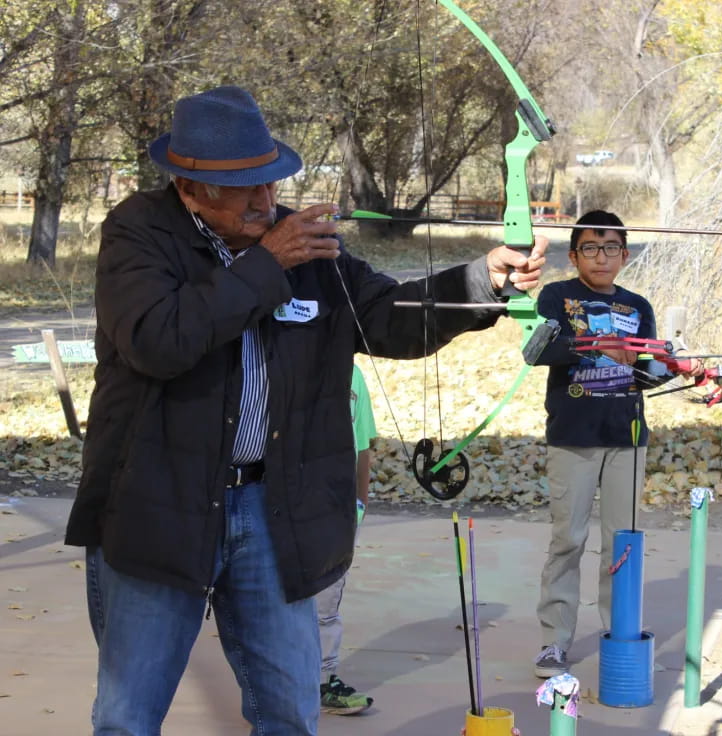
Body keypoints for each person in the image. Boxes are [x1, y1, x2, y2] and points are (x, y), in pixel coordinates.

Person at [63, 85, 546, 735]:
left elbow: (386, 318)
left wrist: (481, 280)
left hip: (270, 509)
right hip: (159, 505)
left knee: (291, 707)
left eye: (271, 182)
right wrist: (266, 264)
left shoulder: (301, 247)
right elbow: (159, 340)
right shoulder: (139, 233)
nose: (269, 200)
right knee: (129, 716)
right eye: (248, 188)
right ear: (190, 187)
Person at [529, 210, 701, 678]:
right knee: (568, 540)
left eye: (610, 248)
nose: (600, 257)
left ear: (624, 255)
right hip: (572, 436)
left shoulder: (638, 305)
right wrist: (596, 345)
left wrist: (677, 364)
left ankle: (620, 632)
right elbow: (537, 351)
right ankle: (554, 641)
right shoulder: (556, 296)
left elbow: (647, 375)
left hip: (626, 437)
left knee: (621, 543)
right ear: (575, 254)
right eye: (590, 247)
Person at [316, 364, 376, 715]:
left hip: (338, 512)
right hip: (292, 508)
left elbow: (363, 447)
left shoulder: (352, 374)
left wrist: (359, 505)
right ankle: (274, 685)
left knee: (326, 604)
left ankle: (324, 680)